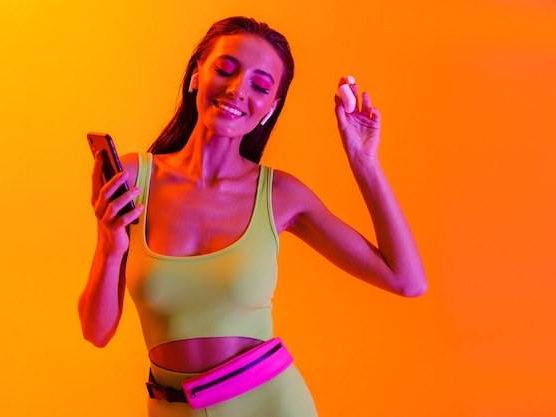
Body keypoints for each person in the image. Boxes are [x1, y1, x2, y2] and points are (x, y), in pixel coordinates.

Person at [78, 16, 426, 417]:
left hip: (271, 404)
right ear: (196, 76)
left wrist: (365, 163)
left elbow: (407, 281)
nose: (236, 90)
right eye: (225, 69)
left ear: (270, 107)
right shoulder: (133, 179)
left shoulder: (280, 195)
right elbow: (96, 332)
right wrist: (110, 244)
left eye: (259, 86)